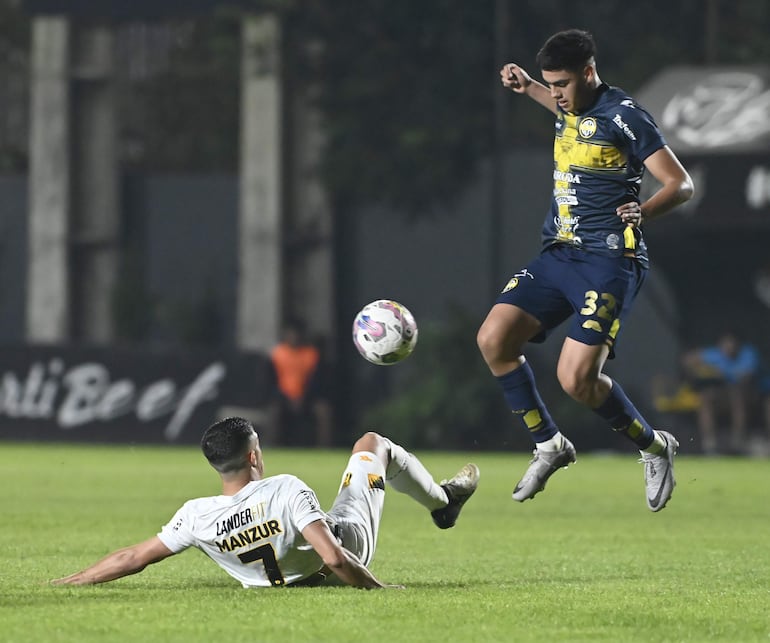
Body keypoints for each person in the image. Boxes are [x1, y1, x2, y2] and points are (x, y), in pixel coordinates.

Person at [477, 29, 694, 511]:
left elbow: (680, 184)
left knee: (575, 380)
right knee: (493, 339)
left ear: (589, 73)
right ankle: (549, 445)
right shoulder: (567, 105)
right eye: (550, 84)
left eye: (562, 84)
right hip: (559, 255)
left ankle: (656, 447)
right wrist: (529, 86)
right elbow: (562, 107)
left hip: (609, 261)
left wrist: (645, 209)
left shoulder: (626, 116)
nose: (556, 93)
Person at [51, 416, 480, 589]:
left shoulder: (195, 516)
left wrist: (69, 583)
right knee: (372, 444)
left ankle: (444, 501)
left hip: (278, 582)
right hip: (349, 547)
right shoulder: (284, 487)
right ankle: (443, 502)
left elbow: (133, 557)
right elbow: (333, 555)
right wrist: (378, 588)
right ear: (253, 456)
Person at [682, 332, 763, 454]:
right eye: (725, 344)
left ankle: (739, 440)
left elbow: (746, 378)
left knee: (737, 396)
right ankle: (709, 443)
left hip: (748, 396)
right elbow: (688, 360)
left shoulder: (748, 354)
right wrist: (699, 371)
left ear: (738, 345)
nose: (728, 347)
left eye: (731, 343)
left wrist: (721, 372)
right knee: (705, 398)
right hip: (722, 397)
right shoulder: (716, 354)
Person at [269, 320, 327, 446]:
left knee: (323, 411)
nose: (293, 337)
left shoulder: (311, 354)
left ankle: (323, 447)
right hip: (283, 397)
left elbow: (315, 381)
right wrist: (287, 398)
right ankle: (274, 446)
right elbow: (271, 381)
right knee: (274, 411)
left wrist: (304, 397)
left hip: (307, 397)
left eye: (296, 334)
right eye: (290, 334)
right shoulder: (278, 354)